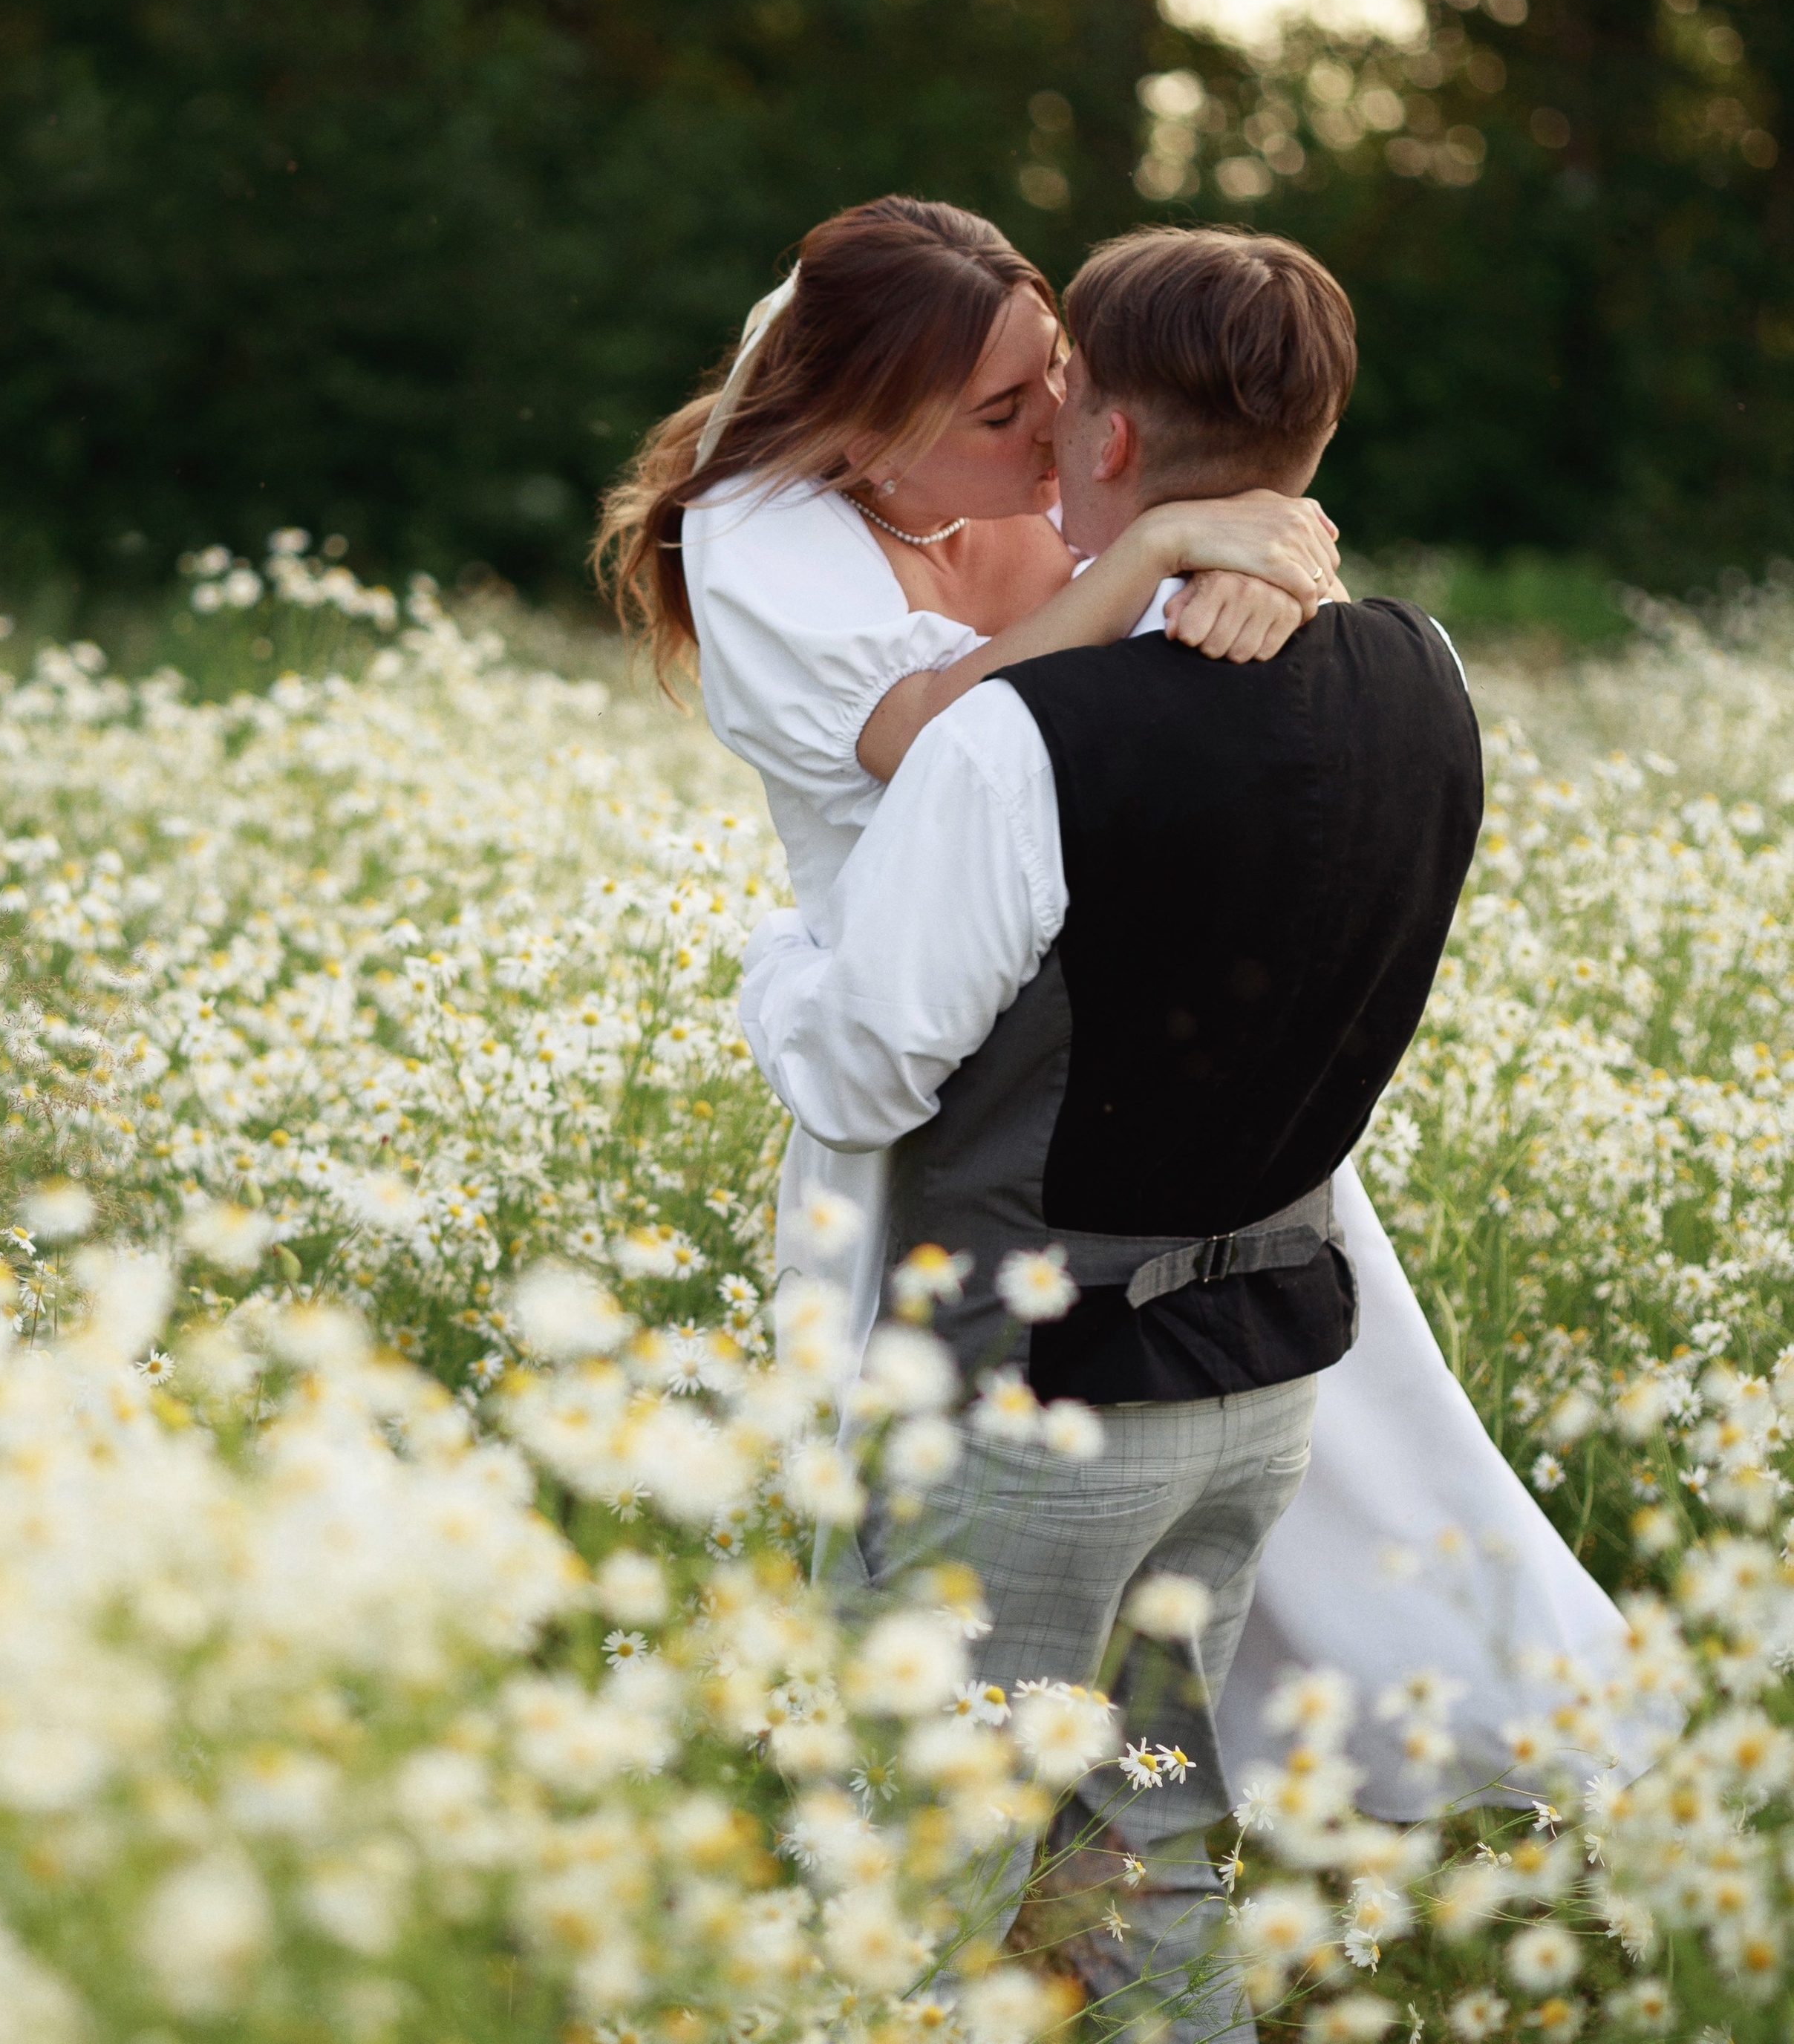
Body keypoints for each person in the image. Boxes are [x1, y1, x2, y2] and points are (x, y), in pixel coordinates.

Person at [595, 200, 1622, 1832]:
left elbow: (1198, 599)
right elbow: (942, 740)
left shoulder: (1080, 468)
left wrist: (1261, 576)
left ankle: (1275, 1814)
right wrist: (1159, 552)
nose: (1048, 428)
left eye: (1056, 380)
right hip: (941, 1080)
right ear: (864, 432)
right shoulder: (765, 539)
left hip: (1171, 1055)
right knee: (983, 1541)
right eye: (1001, 412)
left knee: (1348, 1469)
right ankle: (1093, 1864)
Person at [732, 224, 1468, 2034]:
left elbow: (856, 1070)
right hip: (1261, 1384)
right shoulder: (1423, 674)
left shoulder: (1019, 739)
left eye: (1058, 401)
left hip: (1031, 1400)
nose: (1042, 430)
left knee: (905, 1888)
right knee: (1146, 1861)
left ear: (1115, 441)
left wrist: (772, 956)